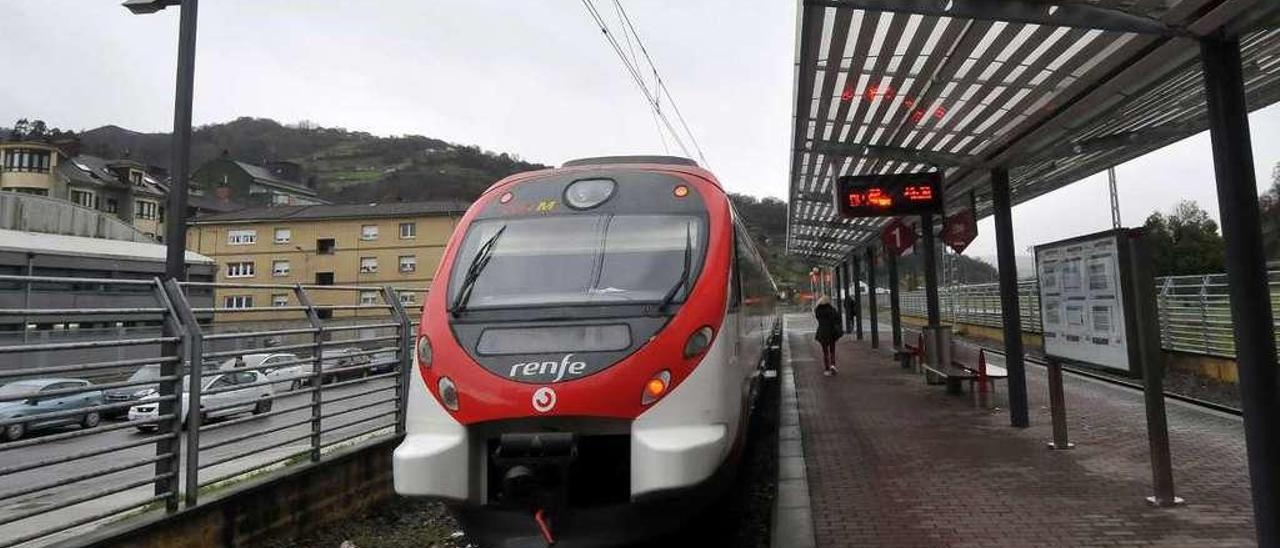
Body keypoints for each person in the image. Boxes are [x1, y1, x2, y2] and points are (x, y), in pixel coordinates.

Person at [813, 295, 842, 375]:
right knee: (832, 350)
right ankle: (833, 365)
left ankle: (827, 369)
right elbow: (838, 319)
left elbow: (818, 318)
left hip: (822, 332)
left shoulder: (818, 310)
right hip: (831, 332)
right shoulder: (832, 310)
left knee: (825, 352)